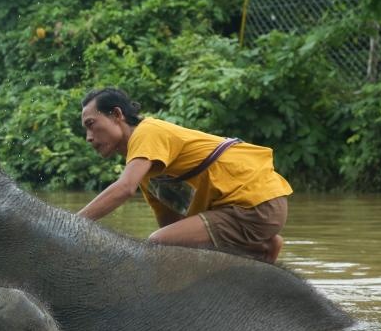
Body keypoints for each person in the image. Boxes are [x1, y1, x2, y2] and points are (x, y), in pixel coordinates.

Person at [77, 87, 291, 263]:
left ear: (117, 115)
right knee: (167, 244)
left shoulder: (147, 132)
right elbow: (172, 227)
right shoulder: (145, 171)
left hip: (254, 204)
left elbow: (124, 188)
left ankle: (260, 247)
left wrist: (72, 224)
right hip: (253, 205)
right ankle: (260, 248)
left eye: (91, 125)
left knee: (157, 243)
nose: (88, 137)